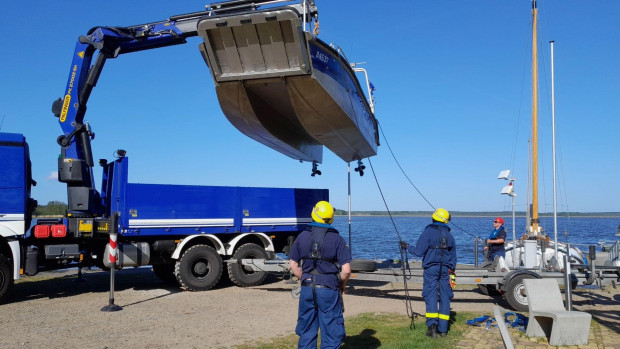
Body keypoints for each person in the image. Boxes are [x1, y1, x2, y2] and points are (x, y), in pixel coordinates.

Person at [289, 201, 352, 349]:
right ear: (331, 218)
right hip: (329, 289)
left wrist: (304, 278)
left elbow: (293, 264)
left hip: (307, 288)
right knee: (331, 331)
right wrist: (341, 284)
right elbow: (347, 270)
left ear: (314, 213)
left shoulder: (302, 236)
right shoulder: (337, 239)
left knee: (307, 330)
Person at [399, 208, 456, 338]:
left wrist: (407, 247)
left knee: (430, 295)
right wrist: (451, 270)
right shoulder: (450, 235)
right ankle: (443, 330)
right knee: (445, 297)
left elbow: (418, 252)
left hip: (431, 269)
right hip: (446, 270)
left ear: (434, 218)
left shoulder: (428, 232)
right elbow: (453, 257)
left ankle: (432, 328)